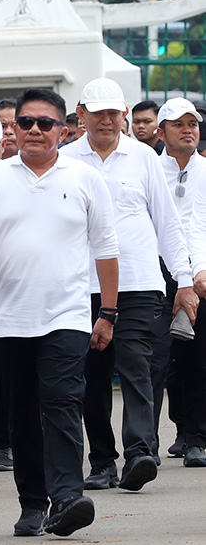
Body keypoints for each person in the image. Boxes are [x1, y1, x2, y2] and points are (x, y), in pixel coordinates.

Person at [0, 88, 119, 538]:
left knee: (63, 402)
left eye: (44, 123)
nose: (32, 130)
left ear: (64, 130)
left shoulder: (86, 178)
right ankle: (32, 503)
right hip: (10, 317)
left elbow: (106, 250)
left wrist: (108, 312)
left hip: (67, 315)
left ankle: (67, 496)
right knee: (23, 414)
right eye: (24, 122)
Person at [66, 79, 193, 491]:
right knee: (93, 374)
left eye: (113, 113)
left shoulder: (144, 158)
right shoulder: (66, 160)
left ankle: (140, 452)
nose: (106, 121)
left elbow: (167, 223)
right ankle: (102, 461)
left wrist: (185, 281)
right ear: (80, 114)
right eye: (97, 113)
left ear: (124, 116)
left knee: (137, 365)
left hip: (139, 282)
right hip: (82, 285)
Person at [152, 99, 206, 464]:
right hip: (157, 276)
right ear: (161, 132)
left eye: (193, 124)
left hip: (202, 276)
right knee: (157, 361)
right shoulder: (150, 170)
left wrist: (200, 270)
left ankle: (197, 438)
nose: (187, 129)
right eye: (178, 124)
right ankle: (148, 443)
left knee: (198, 358)